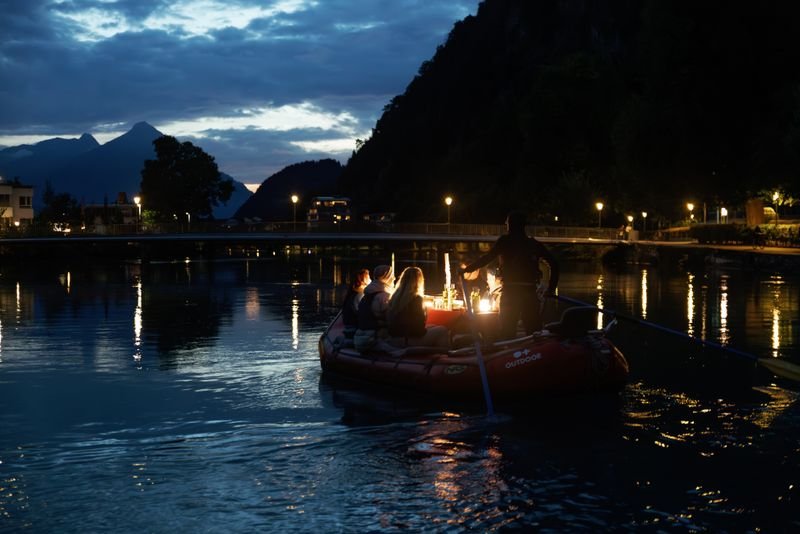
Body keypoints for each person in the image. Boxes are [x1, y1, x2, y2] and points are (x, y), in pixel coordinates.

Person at [460, 211, 559, 339]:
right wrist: (551, 288)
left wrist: (467, 270)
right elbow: (554, 264)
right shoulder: (534, 244)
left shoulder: (504, 242)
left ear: (510, 225)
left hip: (510, 293)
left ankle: (509, 348)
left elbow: (487, 258)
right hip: (529, 292)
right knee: (533, 330)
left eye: (507, 224)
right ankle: (533, 349)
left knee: (507, 330)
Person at [386, 267, 450, 349]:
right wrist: (424, 315)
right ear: (419, 281)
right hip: (407, 340)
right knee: (442, 330)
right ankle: (444, 353)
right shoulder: (416, 299)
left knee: (433, 326)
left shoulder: (395, 296)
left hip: (394, 338)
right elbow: (418, 329)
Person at [353, 264, 395, 352]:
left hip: (360, 339)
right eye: (392, 276)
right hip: (373, 341)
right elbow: (392, 321)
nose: (394, 278)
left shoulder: (366, 295)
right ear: (386, 277)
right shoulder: (384, 297)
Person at [341, 268, 371, 339]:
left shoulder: (353, 293)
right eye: (369, 278)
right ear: (363, 280)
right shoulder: (360, 295)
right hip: (354, 330)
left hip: (349, 328)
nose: (371, 280)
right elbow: (360, 314)